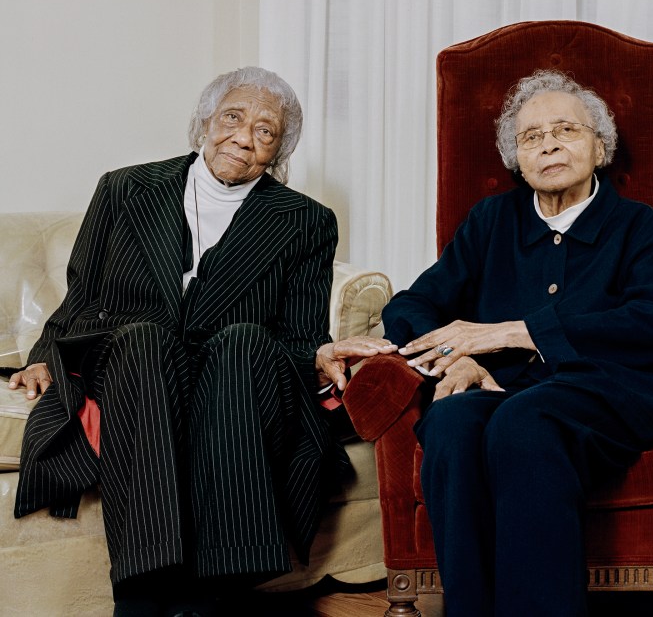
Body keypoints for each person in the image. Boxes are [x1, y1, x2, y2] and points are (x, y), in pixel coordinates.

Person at [9, 66, 395, 617]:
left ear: (279, 150)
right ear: (204, 124)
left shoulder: (307, 221)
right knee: (143, 339)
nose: (244, 136)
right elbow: (82, 297)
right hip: (135, 362)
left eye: (266, 131)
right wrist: (45, 356)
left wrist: (316, 352)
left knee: (241, 339)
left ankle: (218, 589)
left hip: (233, 377)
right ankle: (143, 592)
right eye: (233, 117)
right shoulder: (125, 188)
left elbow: (299, 336)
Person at [381, 69, 653, 617]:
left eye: (565, 130)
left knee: (524, 421)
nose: (548, 143)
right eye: (531, 137)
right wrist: (454, 359)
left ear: (600, 148)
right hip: (505, 387)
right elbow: (411, 305)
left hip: (613, 387)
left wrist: (514, 332)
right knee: (453, 423)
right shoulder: (490, 221)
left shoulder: (639, 226)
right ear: (516, 158)